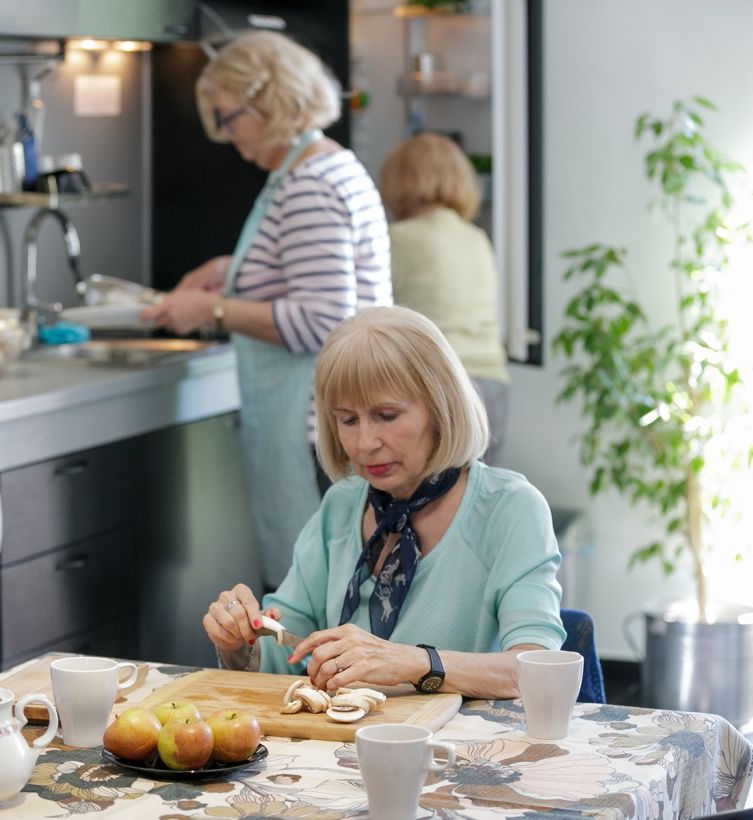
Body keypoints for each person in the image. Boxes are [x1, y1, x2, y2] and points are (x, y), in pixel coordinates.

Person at [201, 307, 564, 699]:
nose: (365, 444)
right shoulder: (341, 507)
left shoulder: (510, 510)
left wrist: (415, 663)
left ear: (440, 409)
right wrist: (239, 641)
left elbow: (536, 671)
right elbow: (284, 653)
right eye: (348, 420)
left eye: (387, 416)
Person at [142, 31, 392, 590]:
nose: (227, 135)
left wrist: (215, 309)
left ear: (269, 102)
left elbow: (324, 320)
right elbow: (308, 268)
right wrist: (229, 269)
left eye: (229, 118)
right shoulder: (327, 166)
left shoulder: (308, 184)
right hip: (335, 415)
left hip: (316, 426)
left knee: (316, 595)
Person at [380, 132, 510, 462]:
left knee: (423, 494)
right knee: (474, 492)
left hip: (435, 386)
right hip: (492, 386)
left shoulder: (397, 239)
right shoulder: (477, 238)